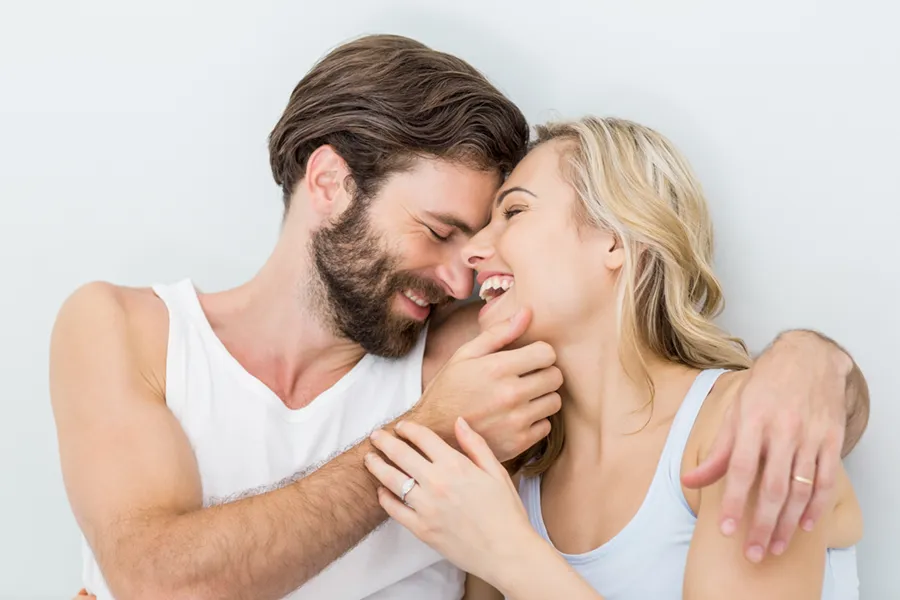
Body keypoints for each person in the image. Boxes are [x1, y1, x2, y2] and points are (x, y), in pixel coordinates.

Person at [53, 36, 868, 600]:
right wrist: (429, 434)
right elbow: (159, 580)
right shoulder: (127, 332)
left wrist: (811, 363)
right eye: (443, 231)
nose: (464, 272)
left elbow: (685, 392)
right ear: (329, 183)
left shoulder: (469, 362)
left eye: (503, 219)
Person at [363, 116, 867, 600]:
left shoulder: (750, 428)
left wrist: (508, 553)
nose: (474, 251)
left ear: (616, 240)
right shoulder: (514, 480)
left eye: (514, 212)